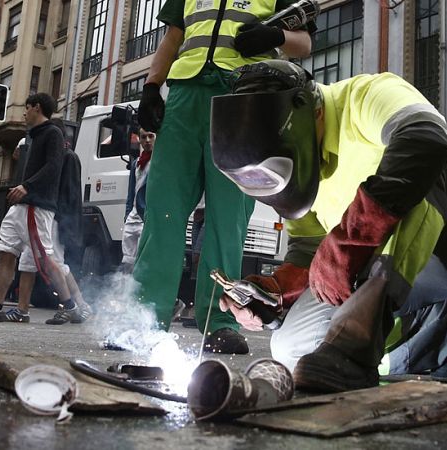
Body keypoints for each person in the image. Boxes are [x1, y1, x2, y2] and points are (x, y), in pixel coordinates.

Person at [211, 60, 447, 392]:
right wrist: (276, 292)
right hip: (394, 273)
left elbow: (428, 140)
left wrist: (350, 239)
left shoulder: (366, 95)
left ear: (309, 114)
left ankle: (353, 350)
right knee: (292, 349)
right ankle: (444, 332)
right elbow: (311, 256)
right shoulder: (298, 178)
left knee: (423, 163)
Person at [133, 0, 314, 353]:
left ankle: (219, 322)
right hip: (184, 97)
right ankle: (142, 320)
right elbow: (174, 36)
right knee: (163, 210)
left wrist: (274, 34)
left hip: (243, 97)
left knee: (227, 219)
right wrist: (152, 86)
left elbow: (304, 43)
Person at [0, 93, 89, 325]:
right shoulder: (35, 135)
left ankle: (71, 306)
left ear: (37, 108)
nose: (24, 112)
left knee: (46, 258)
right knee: (7, 250)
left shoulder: (53, 133)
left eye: (27, 107)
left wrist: (26, 186)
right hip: (24, 205)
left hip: (37, 205)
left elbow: (54, 166)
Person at [120, 128, 156, 272]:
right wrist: (127, 214)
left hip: (145, 218)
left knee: (143, 261)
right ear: (139, 140)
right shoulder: (136, 163)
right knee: (127, 261)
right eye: (143, 137)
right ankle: (126, 292)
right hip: (132, 217)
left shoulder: (159, 162)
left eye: (150, 136)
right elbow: (131, 192)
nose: (147, 140)